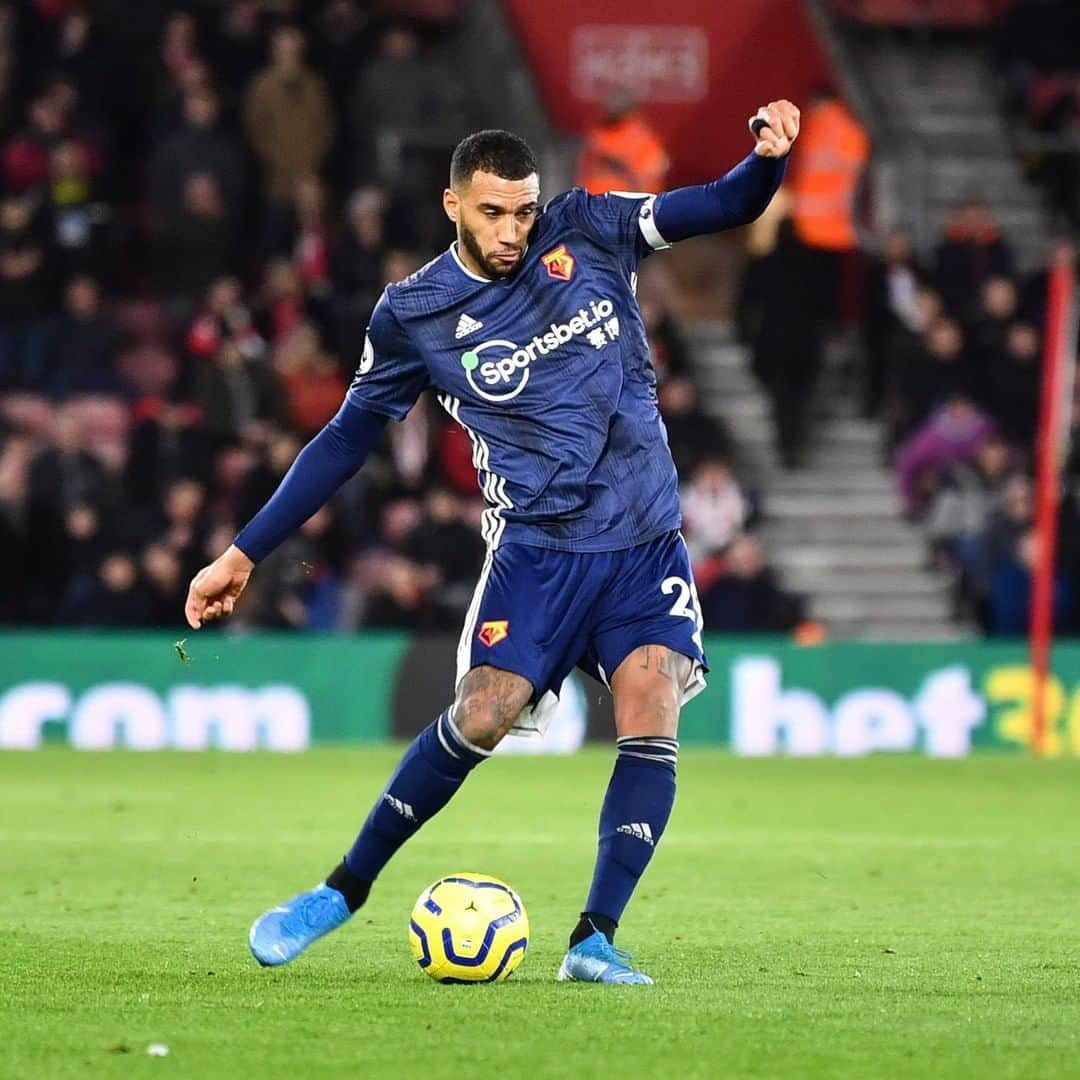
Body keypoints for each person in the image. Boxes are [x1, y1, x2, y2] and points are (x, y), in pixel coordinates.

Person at [184, 106, 800, 984]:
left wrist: (767, 162)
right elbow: (345, 441)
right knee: (483, 711)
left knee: (651, 707)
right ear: (452, 206)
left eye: (523, 210)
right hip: (538, 553)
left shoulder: (591, 225)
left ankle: (593, 938)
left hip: (642, 542)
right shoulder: (416, 315)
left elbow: (721, 205)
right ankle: (338, 891)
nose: (513, 230)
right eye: (492, 214)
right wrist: (245, 552)